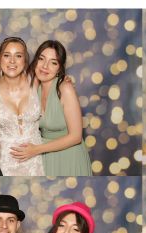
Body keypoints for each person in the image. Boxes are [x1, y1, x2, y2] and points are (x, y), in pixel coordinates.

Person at [9, 41, 92, 175]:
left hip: (69, 157)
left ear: (59, 68)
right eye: (41, 59)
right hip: (45, 158)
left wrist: (36, 149)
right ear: (36, 61)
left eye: (53, 62)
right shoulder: (34, 88)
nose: (45, 66)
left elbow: (76, 136)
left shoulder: (65, 88)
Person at [0, 37, 44, 176]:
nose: (12, 61)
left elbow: (56, 78)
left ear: (25, 60)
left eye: (18, 56)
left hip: (39, 160)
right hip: (5, 165)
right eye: (7, 55)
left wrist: (64, 81)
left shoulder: (37, 81)